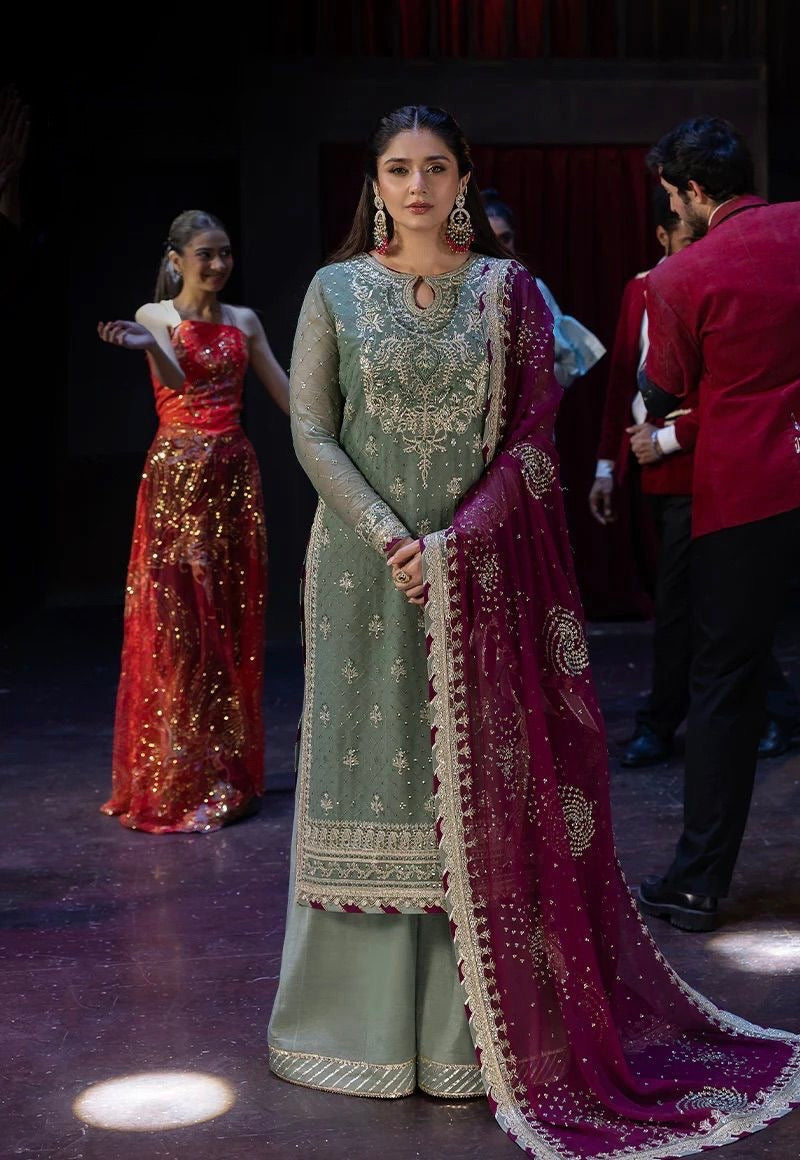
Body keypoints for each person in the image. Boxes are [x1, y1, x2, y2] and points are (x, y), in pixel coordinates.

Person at [267, 104, 800, 1157]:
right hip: (365, 573)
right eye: (397, 169)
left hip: (482, 569)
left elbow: (530, 435)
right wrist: (389, 534)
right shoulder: (333, 290)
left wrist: (458, 539)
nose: (416, 186)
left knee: (479, 780)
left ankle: (471, 1032)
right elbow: (312, 427)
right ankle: (353, 1025)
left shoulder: (507, 292)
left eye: (435, 167)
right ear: (374, 184)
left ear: (463, 178)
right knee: (373, 775)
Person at [637, 116, 800, 931]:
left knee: (725, 687)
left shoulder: (681, 274)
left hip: (749, 494)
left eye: (673, 194)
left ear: (695, 191)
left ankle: (698, 885)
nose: (673, 207)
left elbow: (663, 389)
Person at [590, 186, 800, 768]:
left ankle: (667, 722)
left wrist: (666, 439)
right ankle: (771, 710)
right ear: (663, 235)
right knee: (693, 601)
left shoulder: (719, 279)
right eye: (685, 241)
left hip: (704, 463)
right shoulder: (643, 286)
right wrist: (608, 464)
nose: (696, 248)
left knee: (697, 605)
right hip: (652, 469)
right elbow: (623, 381)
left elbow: (729, 392)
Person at [96, 210, 289, 833]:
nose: (218, 264)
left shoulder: (244, 321)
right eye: (206, 254)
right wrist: (152, 345)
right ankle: (177, 774)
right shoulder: (155, 316)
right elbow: (178, 385)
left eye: (225, 253)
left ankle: (226, 772)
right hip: (177, 479)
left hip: (233, 477)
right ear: (176, 260)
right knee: (180, 626)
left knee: (229, 621)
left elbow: (288, 397)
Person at [481, 187, 605, 388]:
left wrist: (534, 377)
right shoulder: (460, 290)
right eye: (492, 240)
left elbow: (567, 366)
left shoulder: (534, 290)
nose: (501, 247)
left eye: (505, 238)